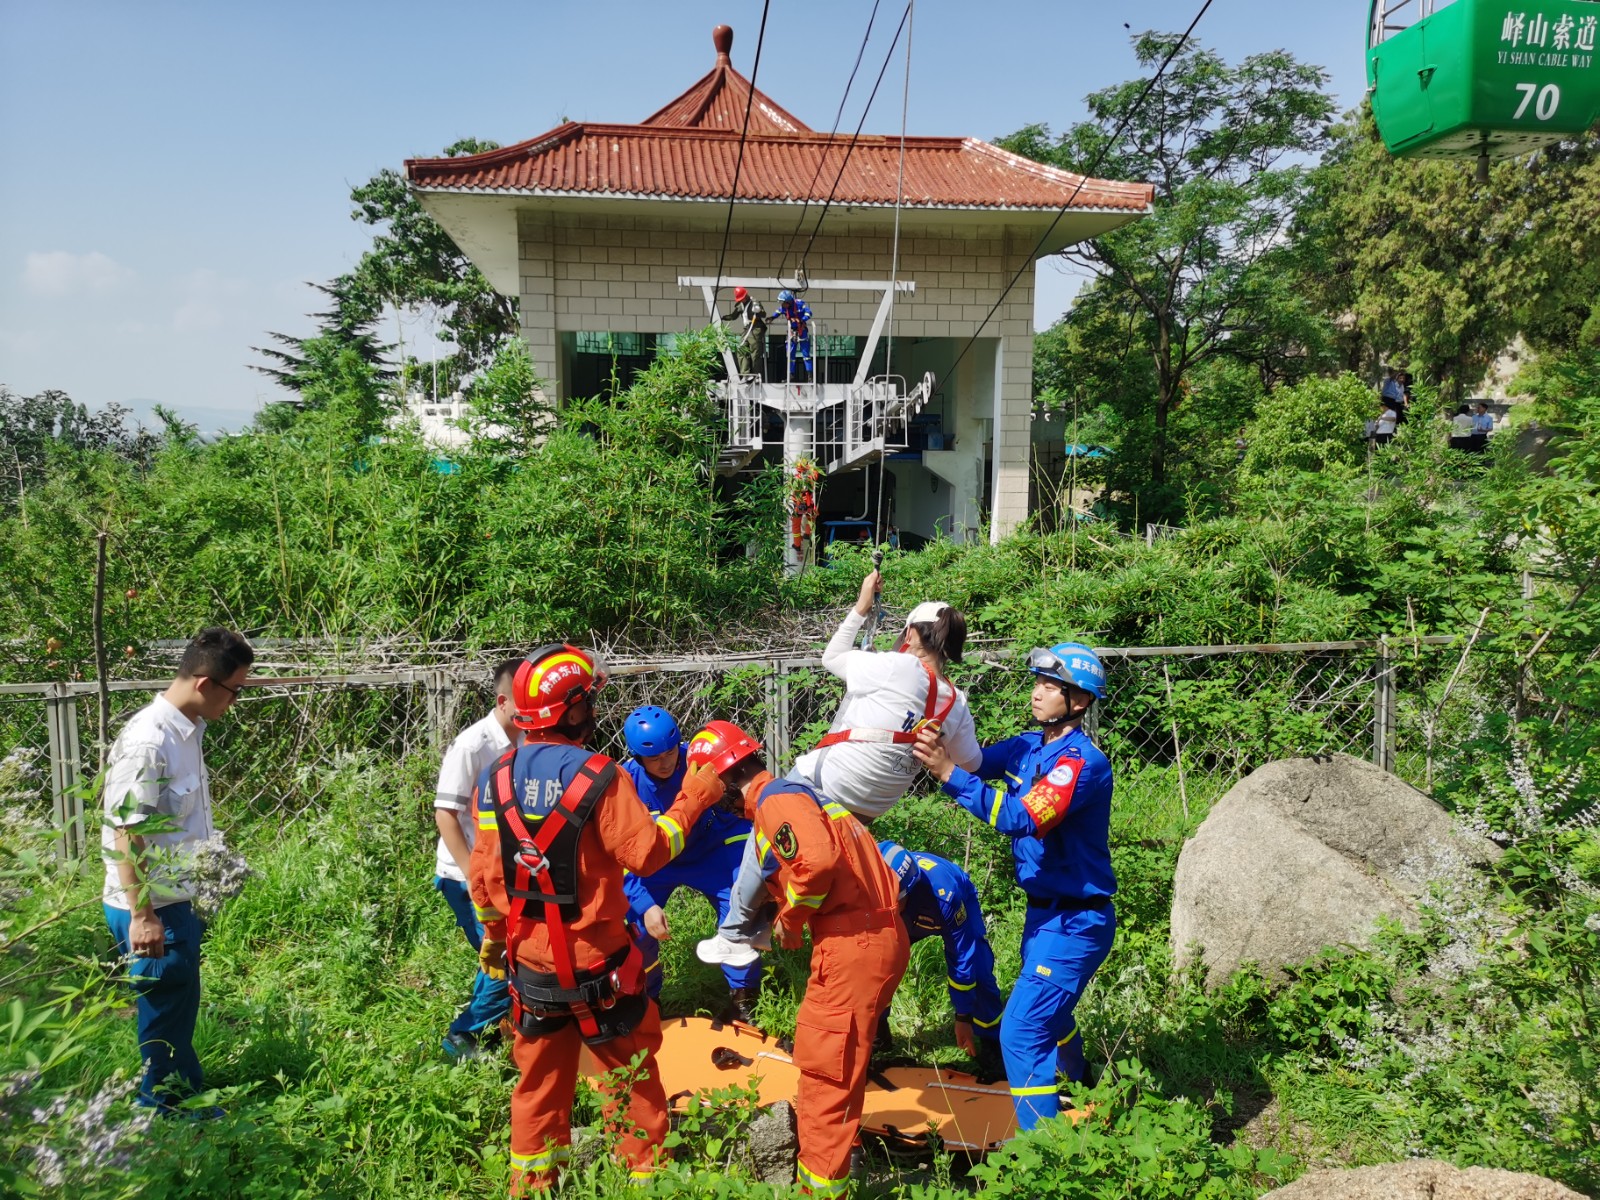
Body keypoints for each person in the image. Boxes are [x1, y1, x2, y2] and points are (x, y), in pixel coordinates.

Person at [469, 644, 724, 1194]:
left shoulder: (497, 778)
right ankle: (644, 1182)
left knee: (537, 1086)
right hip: (598, 965)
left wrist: (493, 940)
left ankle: (533, 1186)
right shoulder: (599, 775)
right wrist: (694, 798)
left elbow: (484, 878)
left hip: (530, 968)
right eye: (587, 703)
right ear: (575, 710)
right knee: (630, 1080)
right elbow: (649, 853)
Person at [697, 570, 981, 966]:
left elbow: (832, 657)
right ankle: (764, 920)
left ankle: (736, 931)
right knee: (801, 849)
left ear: (913, 635)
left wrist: (863, 606)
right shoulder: (956, 701)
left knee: (767, 822)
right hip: (871, 805)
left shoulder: (897, 667)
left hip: (829, 780)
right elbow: (972, 762)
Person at [687, 720, 908, 1199]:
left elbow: (818, 865)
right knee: (841, 1066)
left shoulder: (774, 801)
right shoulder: (803, 795)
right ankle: (835, 1172)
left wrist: (790, 919)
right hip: (872, 936)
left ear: (723, 779)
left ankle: (820, 1189)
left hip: (853, 944)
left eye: (709, 792)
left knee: (823, 1074)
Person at [913, 642, 1116, 1132]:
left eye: (1052, 686)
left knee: (1022, 1029)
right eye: (1038, 682)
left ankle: (1045, 1156)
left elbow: (1022, 817)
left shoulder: (1080, 764)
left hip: (1077, 919)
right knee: (1051, 1013)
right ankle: (1084, 1086)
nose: (1038, 692)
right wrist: (938, 719)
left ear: (1080, 701)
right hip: (1045, 914)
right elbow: (978, 761)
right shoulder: (1029, 746)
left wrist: (946, 774)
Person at [101, 626, 254, 1112]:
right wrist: (143, 914)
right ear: (207, 684)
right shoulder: (151, 740)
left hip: (175, 900)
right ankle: (161, 1111)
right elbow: (128, 832)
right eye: (235, 690)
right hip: (152, 907)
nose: (235, 702)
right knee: (164, 1014)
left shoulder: (187, 731)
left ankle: (184, 1092)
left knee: (178, 1003)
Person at [618, 705, 761, 1023]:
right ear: (638, 757)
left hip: (709, 850)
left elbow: (741, 811)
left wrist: (743, 865)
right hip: (657, 863)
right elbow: (622, 853)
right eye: (655, 758)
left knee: (739, 907)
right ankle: (648, 1000)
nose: (666, 762)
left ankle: (743, 1000)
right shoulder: (624, 785)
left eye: (670, 752)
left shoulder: (701, 761)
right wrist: (644, 905)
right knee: (634, 924)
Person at [434, 659, 523, 1060]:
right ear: (503, 701)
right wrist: (474, 875)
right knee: (504, 958)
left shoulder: (525, 738)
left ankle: (491, 1026)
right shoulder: (473, 745)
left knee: (499, 957)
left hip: (503, 871)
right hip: (467, 872)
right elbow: (445, 813)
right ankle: (461, 1037)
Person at [876, 841, 1005, 1080]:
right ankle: (878, 1032)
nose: (890, 907)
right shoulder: (874, 880)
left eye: (895, 900)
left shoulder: (945, 897)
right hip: (911, 912)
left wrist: (963, 1016)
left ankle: (992, 1042)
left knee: (978, 967)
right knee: (878, 964)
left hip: (948, 903)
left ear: (910, 890)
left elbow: (961, 956)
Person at [718, 286, 769, 378]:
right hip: (747, 329)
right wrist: (723, 317)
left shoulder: (754, 303)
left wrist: (758, 311)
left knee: (755, 353)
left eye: (743, 298)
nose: (742, 300)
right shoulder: (741, 305)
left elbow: (763, 314)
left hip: (755, 328)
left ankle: (756, 375)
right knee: (741, 349)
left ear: (746, 295)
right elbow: (733, 316)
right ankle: (745, 374)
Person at [777, 289, 813, 384]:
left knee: (806, 355)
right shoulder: (785, 308)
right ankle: (791, 376)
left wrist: (802, 320)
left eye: (782, 302)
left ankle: (810, 377)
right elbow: (777, 312)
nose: (781, 304)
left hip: (802, 331)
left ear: (788, 302)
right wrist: (772, 317)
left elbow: (809, 313)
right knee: (790, 355)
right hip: (791, 332)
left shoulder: (800, 304)